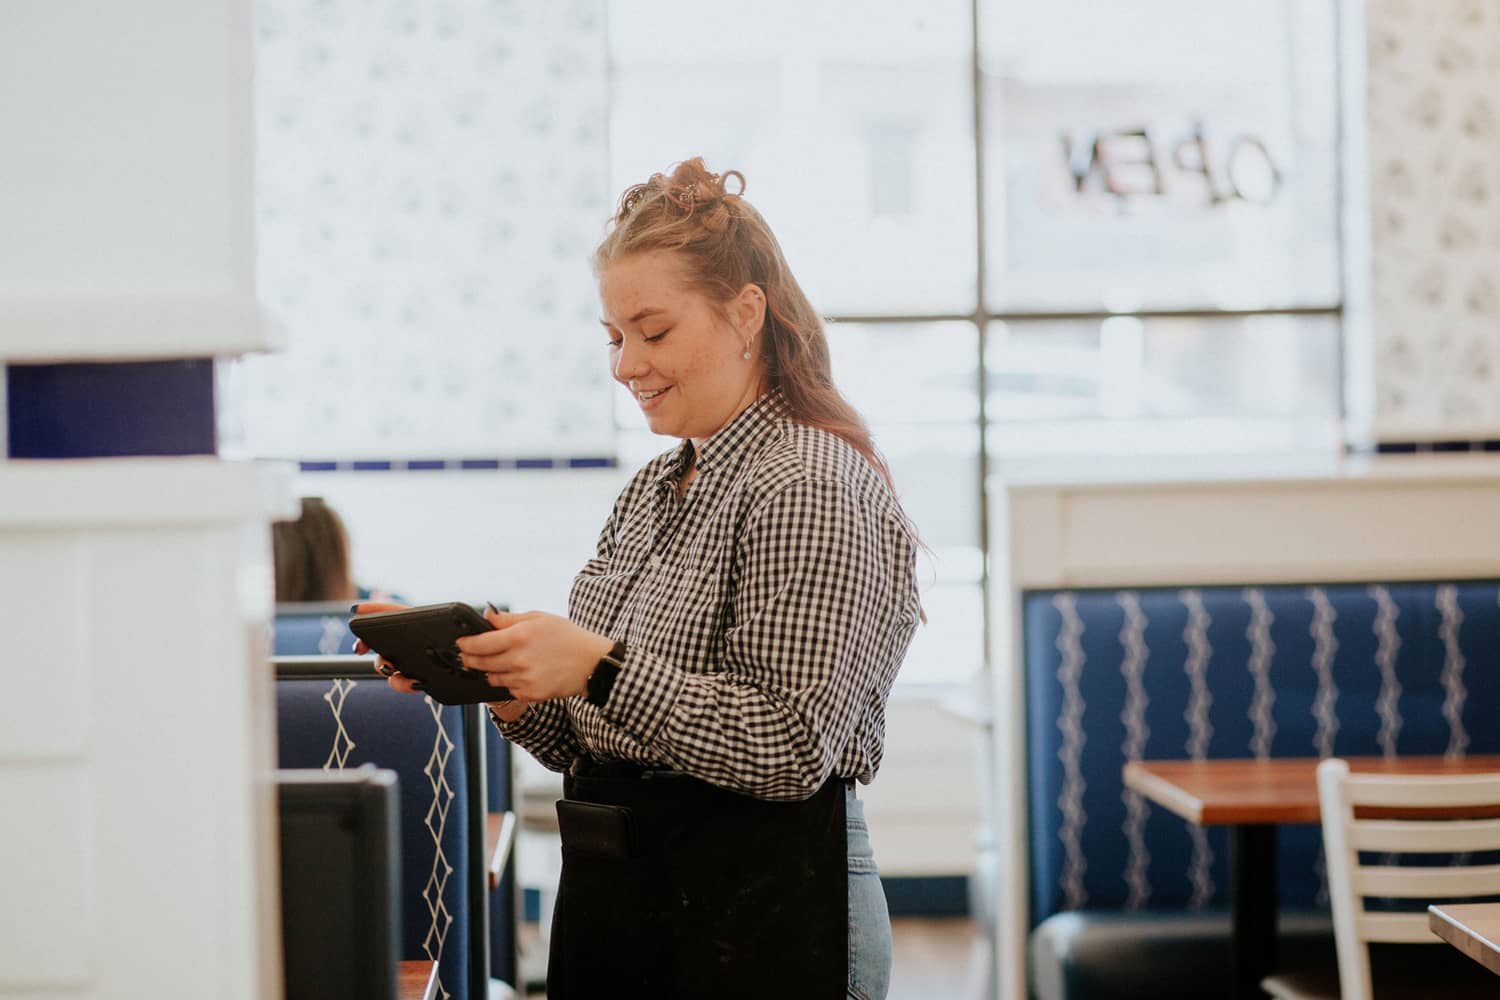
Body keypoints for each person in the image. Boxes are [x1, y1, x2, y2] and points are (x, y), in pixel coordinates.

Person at [365, 158, 922, 998]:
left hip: (767, 905)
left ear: (746, 314)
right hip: (626, 893)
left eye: (652, 333)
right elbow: (593, 742)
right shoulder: (652, 490)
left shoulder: (809, 482)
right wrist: (499, 680)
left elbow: (790, 748)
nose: (625, 366)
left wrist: (598, 666)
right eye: (614, 337)